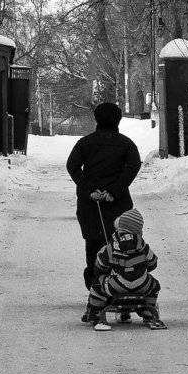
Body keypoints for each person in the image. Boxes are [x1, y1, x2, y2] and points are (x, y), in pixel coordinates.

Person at [65, 101, 141, 289]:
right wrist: (114, 191)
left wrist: (90, 189)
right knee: (122, 243)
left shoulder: (85, 143)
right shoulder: (126, 144)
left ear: (96, 119)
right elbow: (134, 165)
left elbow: (72, 166)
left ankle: (96, 284)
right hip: (119, 203)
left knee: (94, 242)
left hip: (91, 204)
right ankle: (124, 283)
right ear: (118, 120)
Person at [83, 207, 165, 330]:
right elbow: (153, 263)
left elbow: (100, 264)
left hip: (116, 286)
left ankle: (94, 313)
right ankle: (148, 312)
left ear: (119, 228)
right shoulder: (143, 246)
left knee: (98, 285)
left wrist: (103, 271)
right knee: (155, 285)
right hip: (142, 286)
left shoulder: (111, 247)